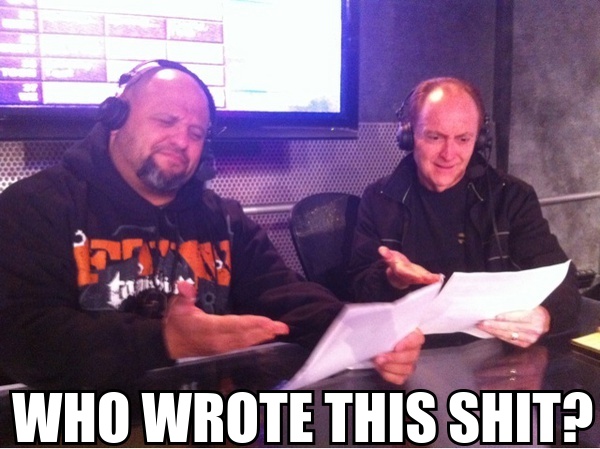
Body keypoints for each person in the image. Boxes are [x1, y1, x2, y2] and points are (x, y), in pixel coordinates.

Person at [0, 60, 423, 389]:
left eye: (196, 132)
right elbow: (19, 337)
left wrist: (371, 336)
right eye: (166, 121)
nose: (181, 141)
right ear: (116, 119)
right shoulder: (37, 206)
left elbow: (288, 295)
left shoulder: (224, 220)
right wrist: (164, 340)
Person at [348, 77, 581, 348]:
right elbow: (354, 291)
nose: (449, 154)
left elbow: (563, 284)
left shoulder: (512, 197)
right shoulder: (379, 199)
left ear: (479, 140)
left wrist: (545, 316)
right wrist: (390, 279)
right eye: (435, 137)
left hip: (493, 356)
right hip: (406, 353)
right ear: (409, 136)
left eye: (463, 139)